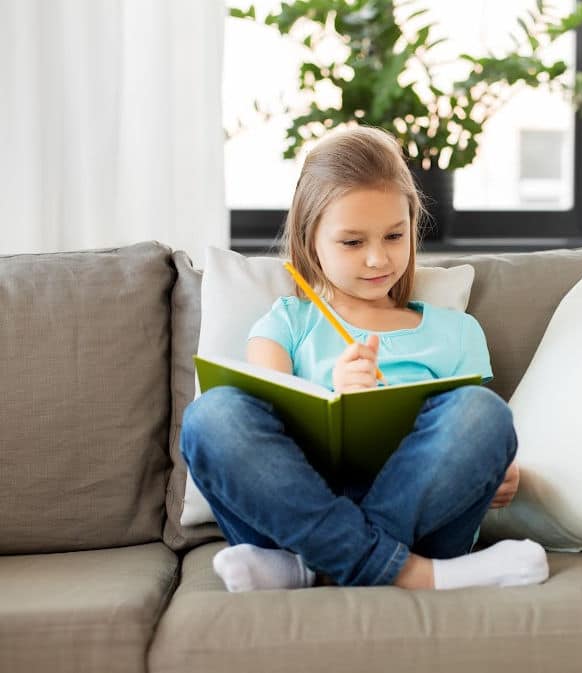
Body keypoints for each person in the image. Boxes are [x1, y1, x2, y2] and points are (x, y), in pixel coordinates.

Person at [180, 126, 549, 592]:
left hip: (420, 523)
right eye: (352, 242)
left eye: (394, 236)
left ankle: (312, 569)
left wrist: (497, 467)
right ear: (310, 239)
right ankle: (413, 575)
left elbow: (465, 441)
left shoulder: (455, 332)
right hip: (295, 514)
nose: (378, 259)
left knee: (483, 415)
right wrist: (332, 393)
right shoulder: (288, 323)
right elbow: (262, 429)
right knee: (212, 416)